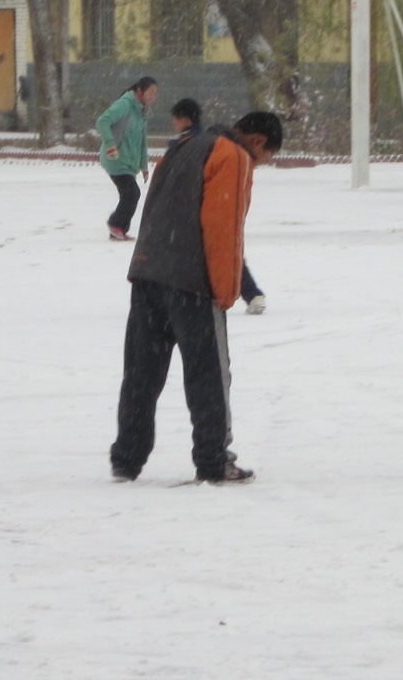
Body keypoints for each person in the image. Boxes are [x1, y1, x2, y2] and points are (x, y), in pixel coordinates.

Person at [111, 110, 284, 485]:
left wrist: (145, 261)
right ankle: (213, 460)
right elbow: (224, 226)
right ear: (256, 141)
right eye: (263, 157)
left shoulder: (181, 146)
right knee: (208, 376)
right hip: (193, 281)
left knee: (141, 374)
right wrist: (226, 291)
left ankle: (126, 458)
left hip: (147, 273)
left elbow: (153, 207)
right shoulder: (233, 155)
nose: (258, 164)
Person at [171, 98, 265, 315]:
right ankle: (251, 294)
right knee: (224, 250)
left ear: (182, 120)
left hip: (195, 207)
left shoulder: (189, 142)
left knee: (218, 249)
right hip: (203, 205)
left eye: (175, 121)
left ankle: (247, 294)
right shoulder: (207, 139)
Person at [97, 77, 157, 240]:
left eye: (155, 94)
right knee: (131, 192)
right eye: (150, 92)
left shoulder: (141, 111)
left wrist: (144, 165)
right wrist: (110, 144)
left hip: (129, 162)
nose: (153, 97)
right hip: (115, 158)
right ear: (139, 91)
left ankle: (119, 230)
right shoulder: (124, 105)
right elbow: (103, 121)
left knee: (130, 194)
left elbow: (142, 140)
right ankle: (115, 224)